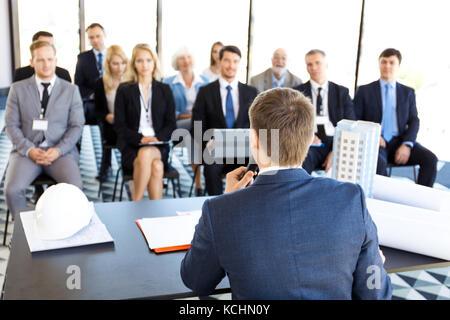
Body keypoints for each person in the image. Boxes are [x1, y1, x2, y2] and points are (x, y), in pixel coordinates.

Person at [181, 87, 392, 300]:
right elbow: (375, 293)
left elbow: (196, 280)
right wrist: (376, 267)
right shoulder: (351, 199)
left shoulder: (219, 210)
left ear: (254, 140)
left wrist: (227, 201)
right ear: (310, 139)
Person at [4, 41, 84, 218]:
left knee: (75, 188)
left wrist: (58, 150)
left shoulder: (71, 90)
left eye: (50, 59)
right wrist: (29, 150)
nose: (46, 64)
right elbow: (10, 125)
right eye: (40, 60)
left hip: (60, 153)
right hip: (26, 152)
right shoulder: (17, 89)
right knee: (12, 190)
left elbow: (77, 126)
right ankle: (23, 232)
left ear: (56, 60)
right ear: (31, 62)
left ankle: (63, 228)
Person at [354, 48, 438, 187]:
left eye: (392, 62)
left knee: (430, 159)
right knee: (378, 163)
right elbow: (355, 119)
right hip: (376, 141)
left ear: (398, 66)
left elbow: (413, 120)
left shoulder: (407, 92)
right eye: (384, 62)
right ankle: (386, 200)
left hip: (400, 141)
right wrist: (373, 134)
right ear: (379, 64)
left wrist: (406, 144)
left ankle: (421, 199)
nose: (387, 66)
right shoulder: (364, 91)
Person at [191, 45, 258, 196]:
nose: (231, 66)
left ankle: (250, 204)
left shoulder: (251, 92)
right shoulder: (205, 92)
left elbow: (258, 124)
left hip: (244, 150)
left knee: (258, 163)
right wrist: (207, 142)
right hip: (216, 150)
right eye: (227, 61)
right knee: (211, 164)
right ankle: (218, 205)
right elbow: (197, 124)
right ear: (219, 61)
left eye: (235, 61)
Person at [114, 44, 176, 201]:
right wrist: (140, 138)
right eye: (140, 61)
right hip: (131, 145)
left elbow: (171, 124)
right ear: (133, 63)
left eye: (148, 60)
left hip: (158, 144)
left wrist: (156, 138)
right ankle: (153, 215)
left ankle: (135, 203)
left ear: (154, 63)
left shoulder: (165, 89)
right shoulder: (124, 90)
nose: (145, 65)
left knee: (148, 154)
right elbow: (119, 125)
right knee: (157, 167)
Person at [293, 49, 356, 174]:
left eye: (318, 63)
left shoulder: (341, 92)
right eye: (309, 64)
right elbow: (292, 123)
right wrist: (306, 136)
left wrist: (337, 150)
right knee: (302, 159)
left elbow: (350, 124)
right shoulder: (297, 93)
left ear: (326, 65)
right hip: (311, 142)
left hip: (337, 141)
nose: (314, 67)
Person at [163, 47, 209, 196]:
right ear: (177, 62)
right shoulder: (168, 83)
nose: (186, 61)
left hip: (197, 128)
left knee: (193, 135)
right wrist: (190, 117)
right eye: (182, 58)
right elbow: (167, 110)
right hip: (177, 125)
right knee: (195, 126)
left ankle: (198, 183)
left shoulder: (204, 81)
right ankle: (199, 183)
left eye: (188, 57)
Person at [94, 45, 128, 182]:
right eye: (115, 63)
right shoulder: (101, 83)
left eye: (123, 63)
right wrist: (106, 117)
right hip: (112, 125)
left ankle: (131, 166)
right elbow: (98, 111)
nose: (120, 67)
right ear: (108, 64)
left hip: (130, 125)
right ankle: (108, 165)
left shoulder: (131, 81)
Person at [75, 23, 107, 125]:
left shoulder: (115, 55)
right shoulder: (83, 58)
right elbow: (78, 85)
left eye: (98, 36)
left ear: (105, 35)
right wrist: (94, 94)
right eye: (91, 37)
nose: (95, 40)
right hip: (93, 102)